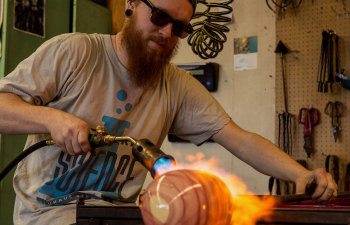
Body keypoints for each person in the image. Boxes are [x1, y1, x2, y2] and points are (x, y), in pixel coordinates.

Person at [0, 0, 337, 224]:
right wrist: (52, 118)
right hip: (46, 215)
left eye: (179, 28)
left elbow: (241, 140)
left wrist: (300, 175)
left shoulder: (175, 85)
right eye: (160, 17)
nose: (166, 33)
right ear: (132, 3)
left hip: (120, 219)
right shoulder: (76, 52)